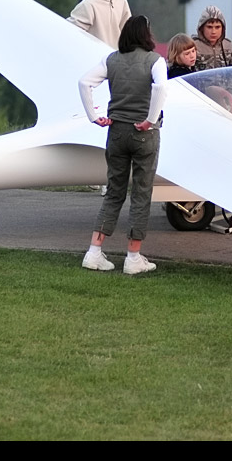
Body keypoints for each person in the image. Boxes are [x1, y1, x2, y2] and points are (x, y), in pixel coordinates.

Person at [77, 16, 167, 275]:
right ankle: (133, 257)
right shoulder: (155, 60)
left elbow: (84, 82)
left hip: (116, 132)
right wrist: (150, 120)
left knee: (115, 191)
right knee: (140, 192)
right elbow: (161, 87)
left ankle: (94, 252)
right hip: (143, 134)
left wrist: (94, 117)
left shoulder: (111, 59)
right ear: (145, 35)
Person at [192, 6, 232, 70]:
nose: (213, 32)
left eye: (217, 27)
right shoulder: (193, 46)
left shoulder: (228, 46)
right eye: (209, 27)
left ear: (223, 28)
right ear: (202, 28)